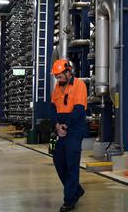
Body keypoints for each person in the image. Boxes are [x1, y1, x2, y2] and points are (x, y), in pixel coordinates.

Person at [50, 59, 87, 212]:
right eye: (56, 77)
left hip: (74, 128)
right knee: (58, 160)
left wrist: (65, 126)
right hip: (61, 127)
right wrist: (57, 125)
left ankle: (69, 200)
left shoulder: (79, 85)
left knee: (71, 164)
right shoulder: (57, 88)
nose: (58, 80)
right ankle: (76, 189)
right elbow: (53, 108)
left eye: (60, 76)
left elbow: (78, 110)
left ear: (68, 72)